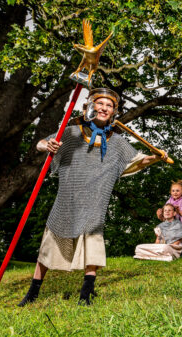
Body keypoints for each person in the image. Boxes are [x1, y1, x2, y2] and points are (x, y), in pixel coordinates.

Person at [18, 87, 165, 306]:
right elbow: (42, 142)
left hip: (95, 201)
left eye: (109, 106)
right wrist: (46, 145)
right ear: (91, 106)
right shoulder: (72, 132)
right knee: (49, 246)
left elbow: (136, 160)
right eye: (101, 104)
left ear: (114, 111)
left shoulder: (116, 142)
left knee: (93, 245)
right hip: (68, 200)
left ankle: (86, 294)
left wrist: (155, 157)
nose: (104, 108)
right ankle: (32, 293)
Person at [156, 180, 182, 257]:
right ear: (170, 192)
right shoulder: (168, 203)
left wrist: (180, 212)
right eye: (173, 191)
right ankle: (167, 254)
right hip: (171, 229)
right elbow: (166, 220)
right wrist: (160, 216)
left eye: (177, 191)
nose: (175, 192)